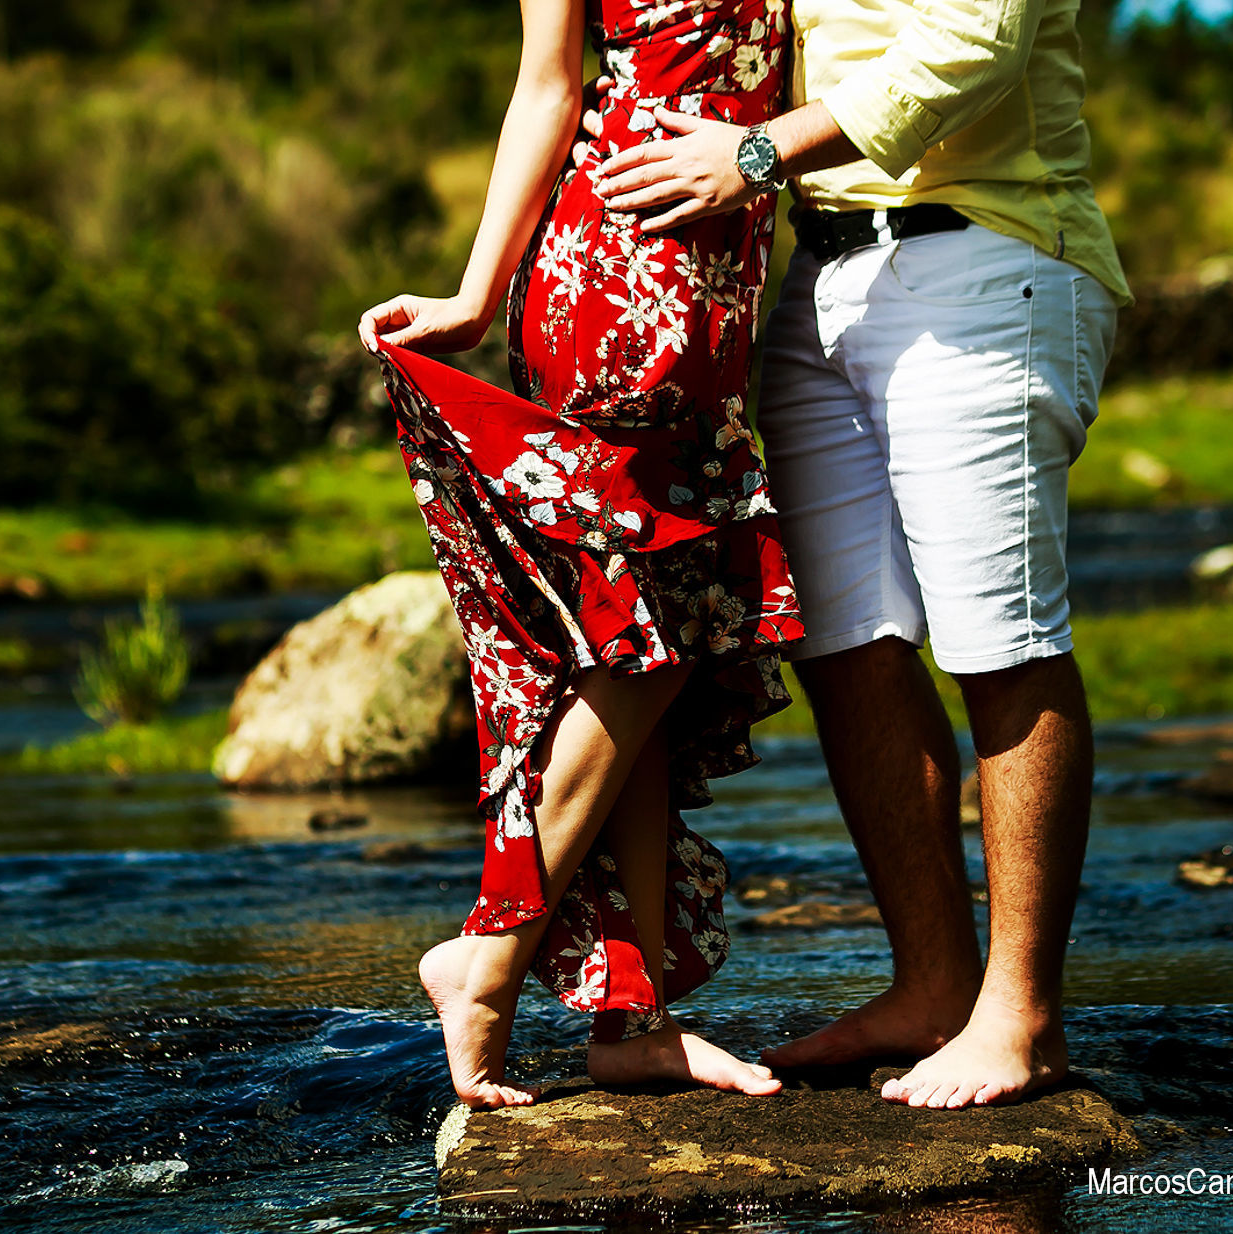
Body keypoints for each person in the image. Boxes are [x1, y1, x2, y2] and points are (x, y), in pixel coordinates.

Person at [575, 0, 1130, 1106]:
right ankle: (932, 988)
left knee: (1001, 638)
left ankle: (1022, 1016)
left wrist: (756, 154)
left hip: (987, 258)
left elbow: (977, 44)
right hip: (823, 272)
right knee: (844, 640)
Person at [356, 0, 802, 1109]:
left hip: (715, 277)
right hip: (625, 273)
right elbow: (548, 82)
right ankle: (490, 952)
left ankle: (633, 1021)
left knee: (647, 646)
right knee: (652, 638)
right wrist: (476, 293)